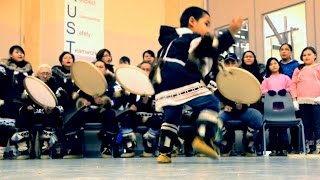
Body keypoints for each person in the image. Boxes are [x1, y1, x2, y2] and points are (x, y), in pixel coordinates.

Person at [154, 6, 243, 163]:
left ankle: (164, 152)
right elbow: (211, 49)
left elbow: (196, 62)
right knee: (212, 103)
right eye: (206, 23)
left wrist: (216, 68)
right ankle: (204, 138)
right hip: (178, 75)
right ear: (192, 21)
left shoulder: (172, 40)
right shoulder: (192, 37)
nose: (208, 29)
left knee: (172, 116)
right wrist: (231, 32)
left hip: (162, 82)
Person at [63, 60, 122, 158]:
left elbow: (118, 101)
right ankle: (75, 149)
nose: (98, 69)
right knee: (75, 117)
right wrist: (82, 102)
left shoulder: (112, 84)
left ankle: (106, 148)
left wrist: (106, 102)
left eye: (101, 67)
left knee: (110, 115)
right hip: (89, 111)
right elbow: (77, 98)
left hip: (104, 111)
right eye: (96, 67)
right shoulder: (84, 83)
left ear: (106, 69)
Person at [218, 53, 263, 157]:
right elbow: (216, 96)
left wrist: (245, 103)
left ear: (237, 64)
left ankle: (248, 142)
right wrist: (223, 106)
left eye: (232, 62)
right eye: (227, 63)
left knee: (258, 118)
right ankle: (227, 143)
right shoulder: (220, 77)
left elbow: (254, 93)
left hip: (244, 110)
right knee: (216, 119)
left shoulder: (245, 76)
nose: (230, 65)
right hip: (228, 112)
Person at [0, 45, 33, 160]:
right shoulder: (3, 67)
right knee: (5, 126)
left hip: (23, 102)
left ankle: (19, 150)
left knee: (21, 125)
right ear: (10, 54)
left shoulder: (28, 69)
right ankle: (1, 151)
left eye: (22, 52)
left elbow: (32, 86)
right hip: (7, 101)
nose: (20, 54)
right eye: (17, 52)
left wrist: (29, 100)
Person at [291, 46, 320, 154]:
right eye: (304, 55)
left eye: (309, 54)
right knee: (307, 124)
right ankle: (308, 146)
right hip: (302, 102)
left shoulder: (318, 67)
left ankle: (319, 146)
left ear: (315, 55)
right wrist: (294, 99)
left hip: (316, 101)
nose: (306, 57)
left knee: (318, 124)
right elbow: (293, 84)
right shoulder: (298, 69)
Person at [261, 57, 292, 156]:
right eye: (271, 64)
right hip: (271, 107)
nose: (273, 65)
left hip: (283, 106)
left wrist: (286, 90)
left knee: (282, 127)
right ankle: (273, 149)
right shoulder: (266, 80)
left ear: (279, 65)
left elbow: (291, 87)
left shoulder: (285, 77)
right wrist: (268, 92)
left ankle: (284, 148)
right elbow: (262, 90)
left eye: (275, 63)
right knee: (272, 128)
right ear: (268, 67)